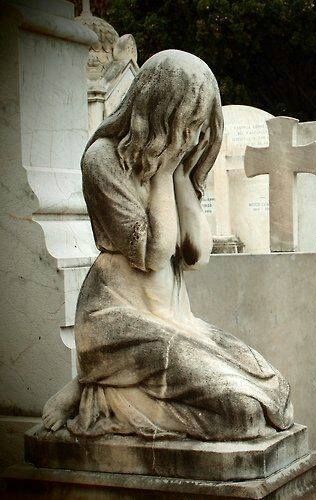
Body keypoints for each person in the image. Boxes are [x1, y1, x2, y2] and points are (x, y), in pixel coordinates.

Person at [42, 50, 293, 441]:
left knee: (276, 394)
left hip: (175, 319)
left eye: (200, 126)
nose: (193, 137)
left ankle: (101, 384)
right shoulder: (103, 160)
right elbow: (154, 254)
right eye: (188, 123)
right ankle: (101, 391)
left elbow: (197, 254)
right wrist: (163, 171)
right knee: (240, 412)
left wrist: (179, 174)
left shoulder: (175, 165)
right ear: (159, 111)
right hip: (118, 321)